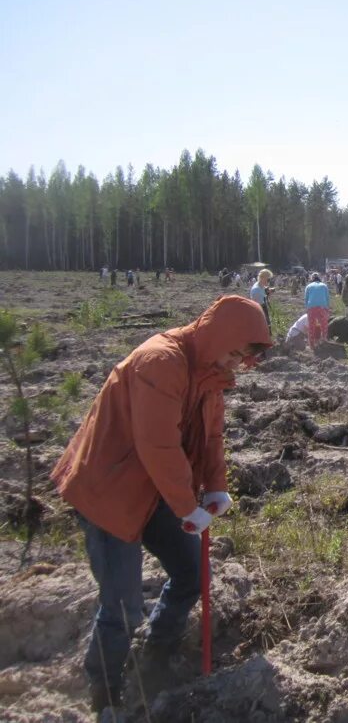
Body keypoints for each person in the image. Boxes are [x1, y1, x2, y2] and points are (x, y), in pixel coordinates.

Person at [50, 296, 272, 717]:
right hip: (109, 489)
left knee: (192, 574)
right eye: (235, 353)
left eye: (243, 357)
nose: (237, 364)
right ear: (218, 335)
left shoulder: (210, 372)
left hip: (156, 489)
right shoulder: (161, 362)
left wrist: (216, 487)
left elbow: (211, 436)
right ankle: (105, 689)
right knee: (122, 605)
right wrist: (187, 506)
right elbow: (157, 445)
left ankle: (155, 658)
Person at [303, 272, 330, 349]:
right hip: (322, 306)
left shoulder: (308, 286)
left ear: (312, 279)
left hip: (311, 307)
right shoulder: (324, 286)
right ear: (319, 278)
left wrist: (307, 308)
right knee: (324, 325)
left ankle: (312, 344)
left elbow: (306, 299)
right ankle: (324, 340)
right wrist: (327, 308)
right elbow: (327, 298)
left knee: (311, 325)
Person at [249, 268, 274, 334]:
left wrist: (268, 291)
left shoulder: (260, 285)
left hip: (260, 308)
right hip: (259, 310)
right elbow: (260, 306)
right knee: (264, 329)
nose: (269, 281)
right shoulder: (256, 290)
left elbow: (263, 290)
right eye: (268, 279)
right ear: (263, 278)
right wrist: (268, 295)